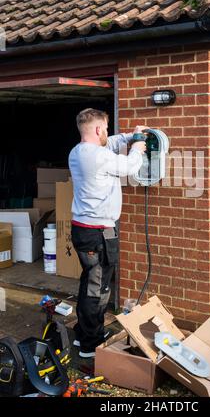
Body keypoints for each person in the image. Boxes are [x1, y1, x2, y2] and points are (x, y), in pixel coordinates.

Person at [69, 108, 146, 358]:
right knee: (98, 288)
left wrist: (129, 136)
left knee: (88, 282)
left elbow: (109, 143)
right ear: (99, 129)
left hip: (83, 229)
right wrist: (139, 146)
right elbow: (130, 166)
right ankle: (91, 345)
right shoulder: (98, 157)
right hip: (98, 233)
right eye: (107, 129)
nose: (109, 134)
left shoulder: (79, 151)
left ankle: (83, 334)